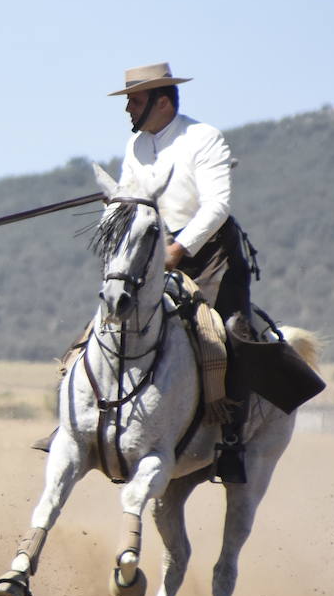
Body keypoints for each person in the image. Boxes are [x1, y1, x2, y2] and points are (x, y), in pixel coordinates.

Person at [109, 62, 255, 482]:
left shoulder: (203, 138)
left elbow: (216, 206)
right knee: (113, 316)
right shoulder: (135, 147)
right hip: (153, 253)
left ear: (162, 101)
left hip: (211, 257)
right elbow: (129, 201)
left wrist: (180, 247)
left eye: (134, 101)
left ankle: (231, 440)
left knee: (230, 335)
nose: (128, 110)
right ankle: (91, 417)